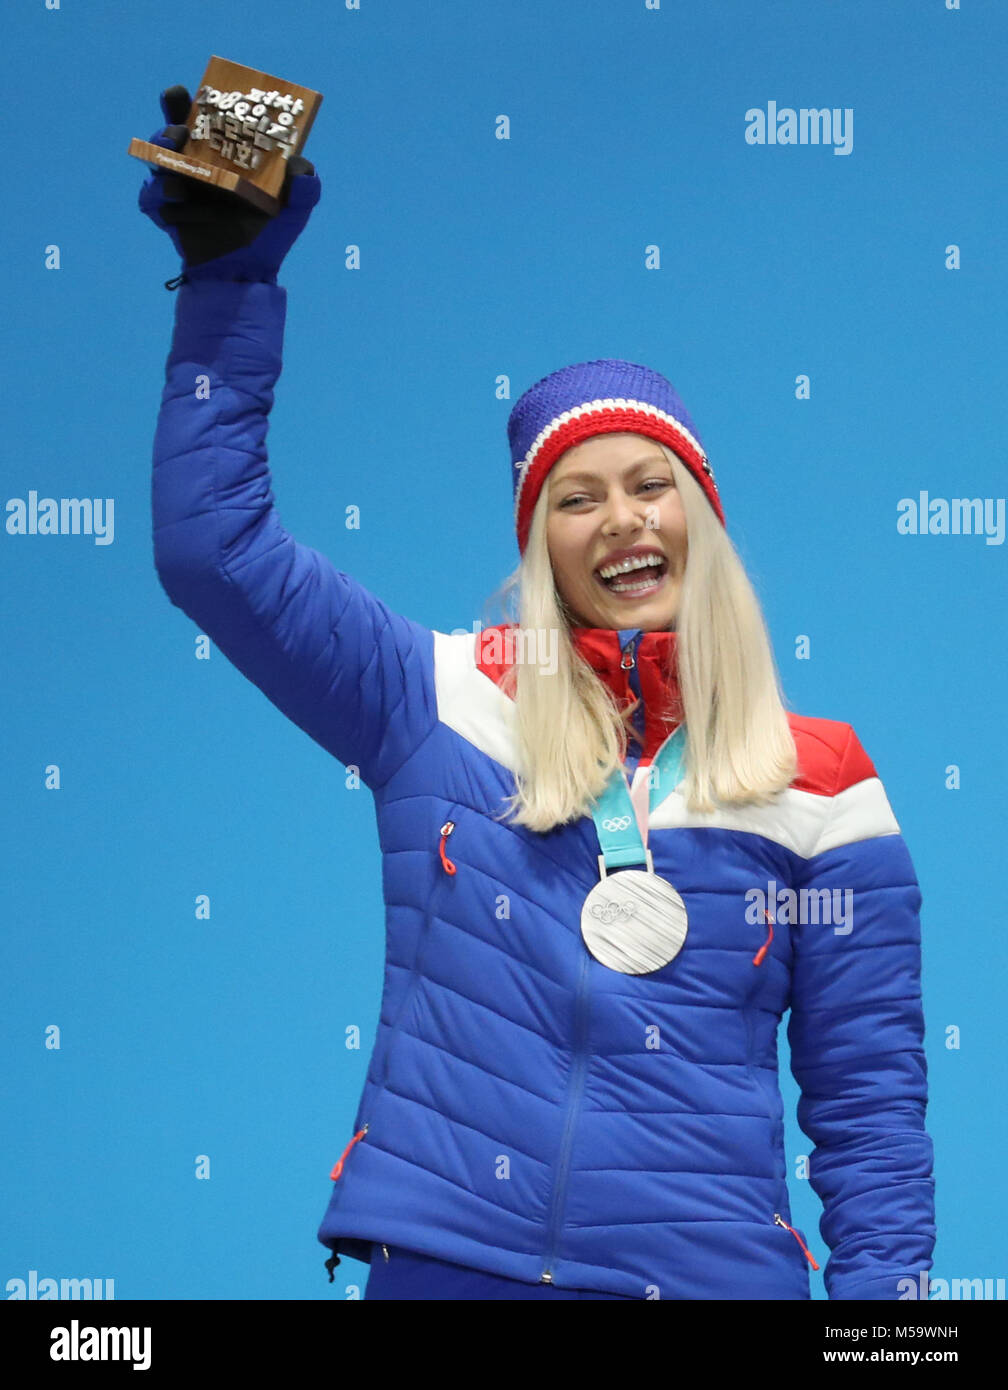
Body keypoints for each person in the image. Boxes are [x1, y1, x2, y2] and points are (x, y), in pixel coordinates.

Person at [138, 87, 936, 1301]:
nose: (621, 519)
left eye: (650, 484)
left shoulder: (823, 783)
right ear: (541, 547)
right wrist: (227, 286)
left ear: (701, 520)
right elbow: (215, 555)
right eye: (576, 497)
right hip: (450, 1267)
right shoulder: (438, 700)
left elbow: (870, 1110)